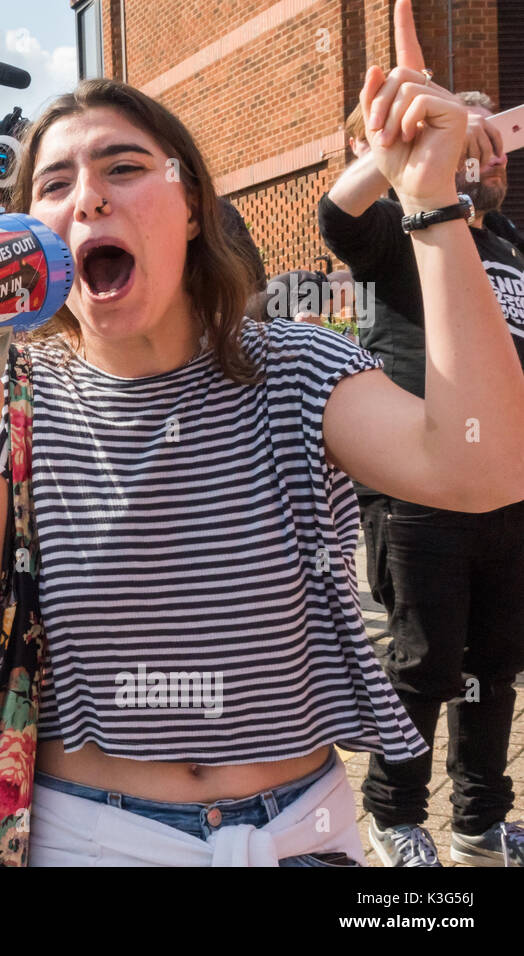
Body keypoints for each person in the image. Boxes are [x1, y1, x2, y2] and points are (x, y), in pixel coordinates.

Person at [0, 2, 524, 867]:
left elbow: (484, 466)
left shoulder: (296, 369)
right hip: (94, 836)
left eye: (123, 167)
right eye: (54, 185)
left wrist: (430, 203)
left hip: (305, 831)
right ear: (30, 233)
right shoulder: (14, 398)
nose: (89, 197)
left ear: (190, 206)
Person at [319, 79, 524, 866]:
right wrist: (402, 157)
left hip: (507, 491)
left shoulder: (506, 242)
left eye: (492, 135)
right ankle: (395, 813)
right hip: (420, 490)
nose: (481, 149)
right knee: (424, 661)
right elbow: (335, 215)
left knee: (496, 666)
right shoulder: (400, 228)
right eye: (465, 131)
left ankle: (478, 821)